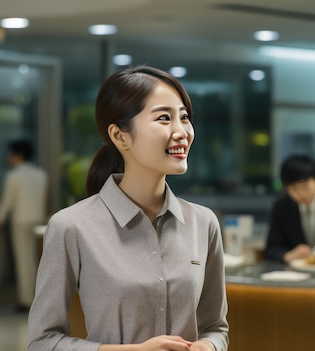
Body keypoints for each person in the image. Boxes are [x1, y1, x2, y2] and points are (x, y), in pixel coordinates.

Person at [27, 66, 229, 351]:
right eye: (164, 118)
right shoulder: (71, 226)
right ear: (120, 136)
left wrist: (209, 346)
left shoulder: (203, 222)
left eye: (184, 117)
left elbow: (215, 328)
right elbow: (41, 342)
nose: (181, 131)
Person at [0, 138, 48, 311]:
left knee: (23, 260)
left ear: (18, 155)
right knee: (36, 260)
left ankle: (26, 300)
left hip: (20, 220)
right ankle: (37, 299)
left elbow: (7, 201)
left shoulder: (13, 176)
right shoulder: (41, 174)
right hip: (37, 219)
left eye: (10, 154)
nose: (9, 157)